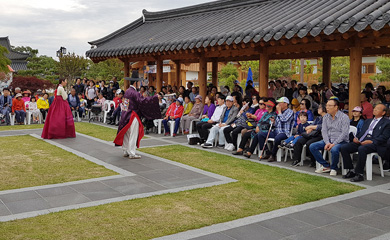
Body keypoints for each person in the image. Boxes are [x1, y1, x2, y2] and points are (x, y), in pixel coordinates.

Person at [340, 104, 390, 182]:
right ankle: (351, 169)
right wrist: (356, 138)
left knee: (362, 149)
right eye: (374, 108)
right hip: (362, 141)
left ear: (383, 113)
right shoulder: (368, 121)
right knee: (344, 147)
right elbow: (362, 133)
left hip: (376, 143)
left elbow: (384, 137)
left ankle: (359, 174)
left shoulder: (387, 123)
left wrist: (372, 141)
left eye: (377, 109)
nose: (374, 110)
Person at [114, 78, 160, 159]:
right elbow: (143, 101)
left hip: (126, 114)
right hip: (133, 115)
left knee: (127, 133)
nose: (140, 83)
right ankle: (132, 152)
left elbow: (125, 103)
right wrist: (155, 97)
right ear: (136, 82)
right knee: (133, 134)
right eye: (139, 82)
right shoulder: (134, 92)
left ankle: (125, 150)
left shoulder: (127, 91)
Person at [243, 97, 294, 162]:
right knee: (260, 134)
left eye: (280, 103)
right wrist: (273, 121)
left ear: (285, 104)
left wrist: (279, 112)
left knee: (277, 138)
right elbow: (276, 124)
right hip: (276, 130)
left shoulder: (289, 112)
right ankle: (267, 152)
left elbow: (284, 120)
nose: (278, 105)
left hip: (285, 132)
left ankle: (273, 155)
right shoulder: (276, 112)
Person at [309, 97, 350, 176]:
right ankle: (326, 166)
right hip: (329, 140)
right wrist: (327, 142)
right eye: (327, 105)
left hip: (341, 141)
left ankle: (334, 168)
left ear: (336, 107)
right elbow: (324, 131)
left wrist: (334, 143)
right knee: (312, 146)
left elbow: (344, 133)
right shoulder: (326, 117)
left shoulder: (344, 117)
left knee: (334, 149)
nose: (327, 108)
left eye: (329, 106)